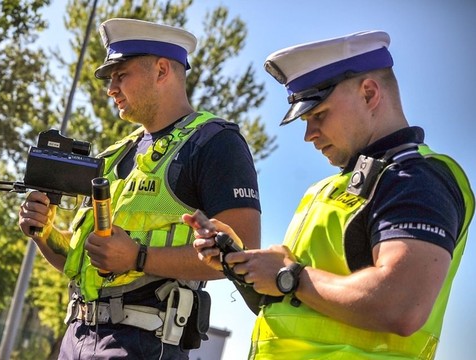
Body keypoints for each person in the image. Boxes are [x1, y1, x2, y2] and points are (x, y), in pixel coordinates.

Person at [186, 30, 474, 359]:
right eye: (306, 120)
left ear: (369, 93)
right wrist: (241, 263)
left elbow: (402, 305)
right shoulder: (330, 188)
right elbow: (297, 307)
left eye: (319, 115)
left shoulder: (415, 179)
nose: (309, 135)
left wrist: (288, 276)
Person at [18, 18, 261, 359]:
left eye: (121, 75)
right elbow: (81, 262)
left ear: (162, 70)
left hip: (146, 345)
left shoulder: (215, 142)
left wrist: (138, 258)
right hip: (77, 337)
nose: (110, 89)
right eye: (110, 79)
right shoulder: (116, 153)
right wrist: (43, 233)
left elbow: (245, 251)